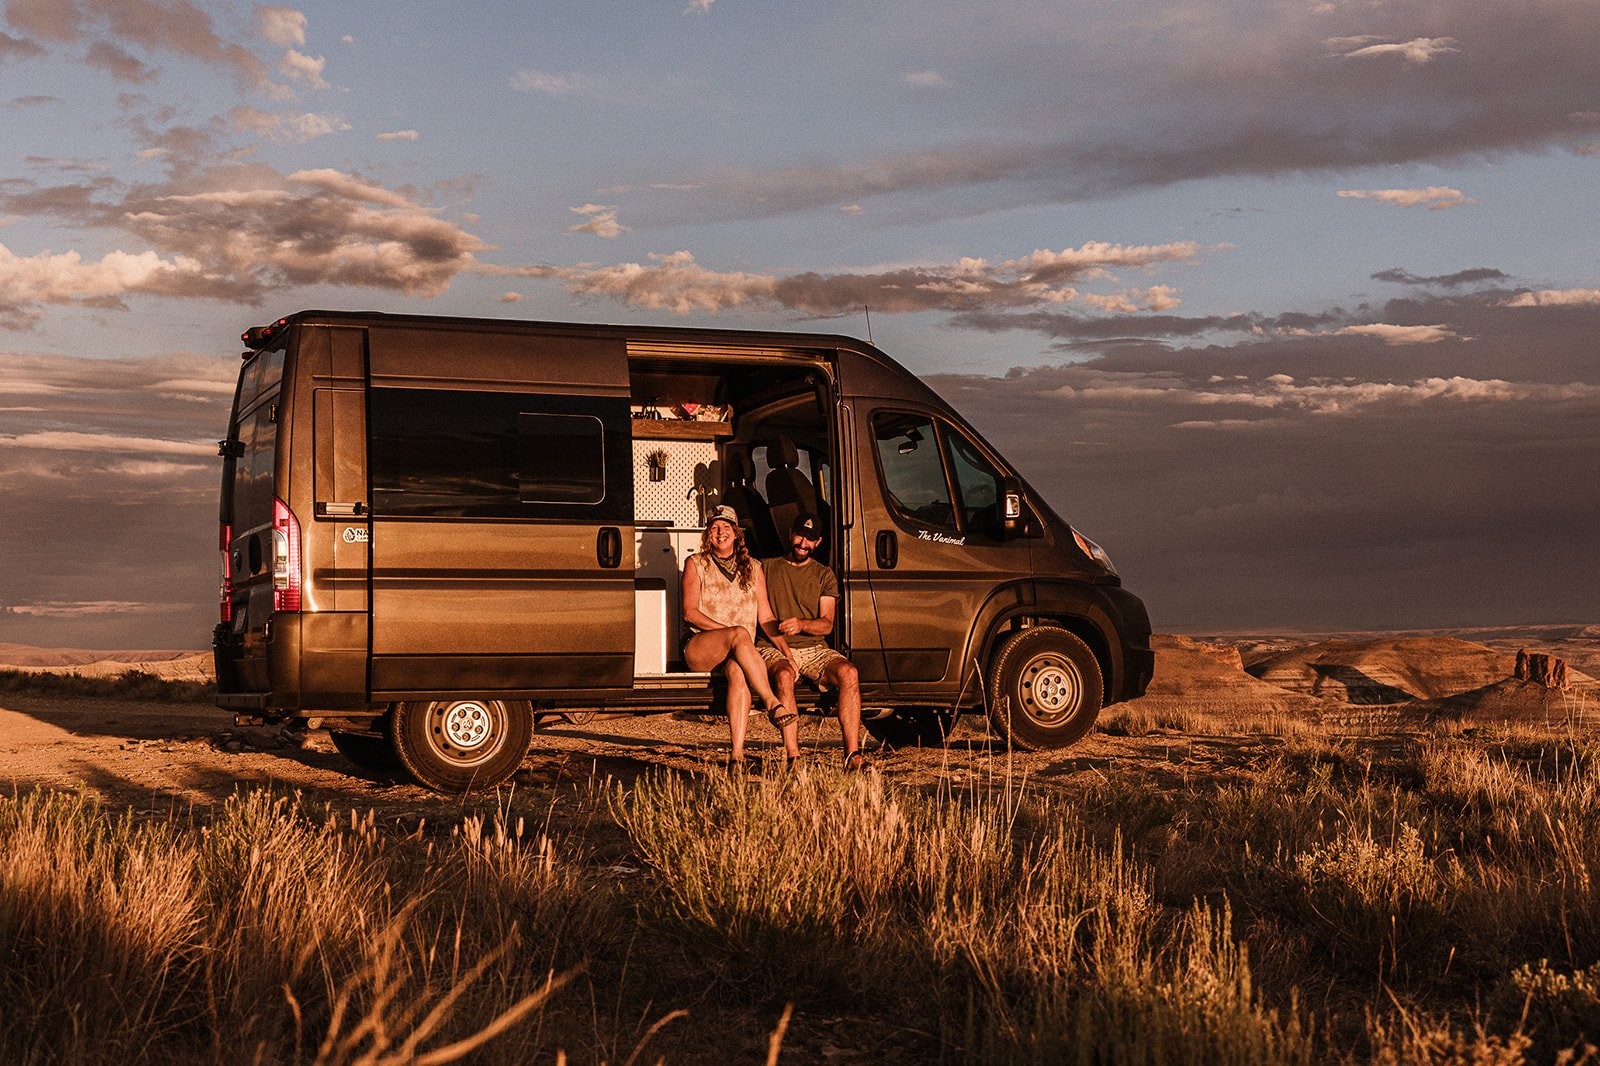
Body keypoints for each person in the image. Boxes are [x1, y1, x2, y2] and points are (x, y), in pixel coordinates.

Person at [681, 504, 796, 771]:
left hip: (736, 652)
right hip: (701, 647)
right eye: (714, 528)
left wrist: (785, 650)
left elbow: (766, 617)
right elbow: (690, 613)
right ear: (708, 534)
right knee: (740, 634)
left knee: (737, 672)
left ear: (736, 533)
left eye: (725, 527)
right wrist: (731, 634)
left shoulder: (754, 567)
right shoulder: (696, 563)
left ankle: (736, 756)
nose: (720, 532)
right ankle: (772, 704)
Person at [759, 513, 867, 771]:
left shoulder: (824, 574)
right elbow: (762, 615)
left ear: (817, 542)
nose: (802, 543)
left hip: (814, 648)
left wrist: (801, 624)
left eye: (809, 539)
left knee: (849, 672)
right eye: (799, 536)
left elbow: (826, 623)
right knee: (785, 675)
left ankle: (852, 755)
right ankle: (793, 757)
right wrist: (785, 649)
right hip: (773, 646)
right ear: (789, 534)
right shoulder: (765, 567)